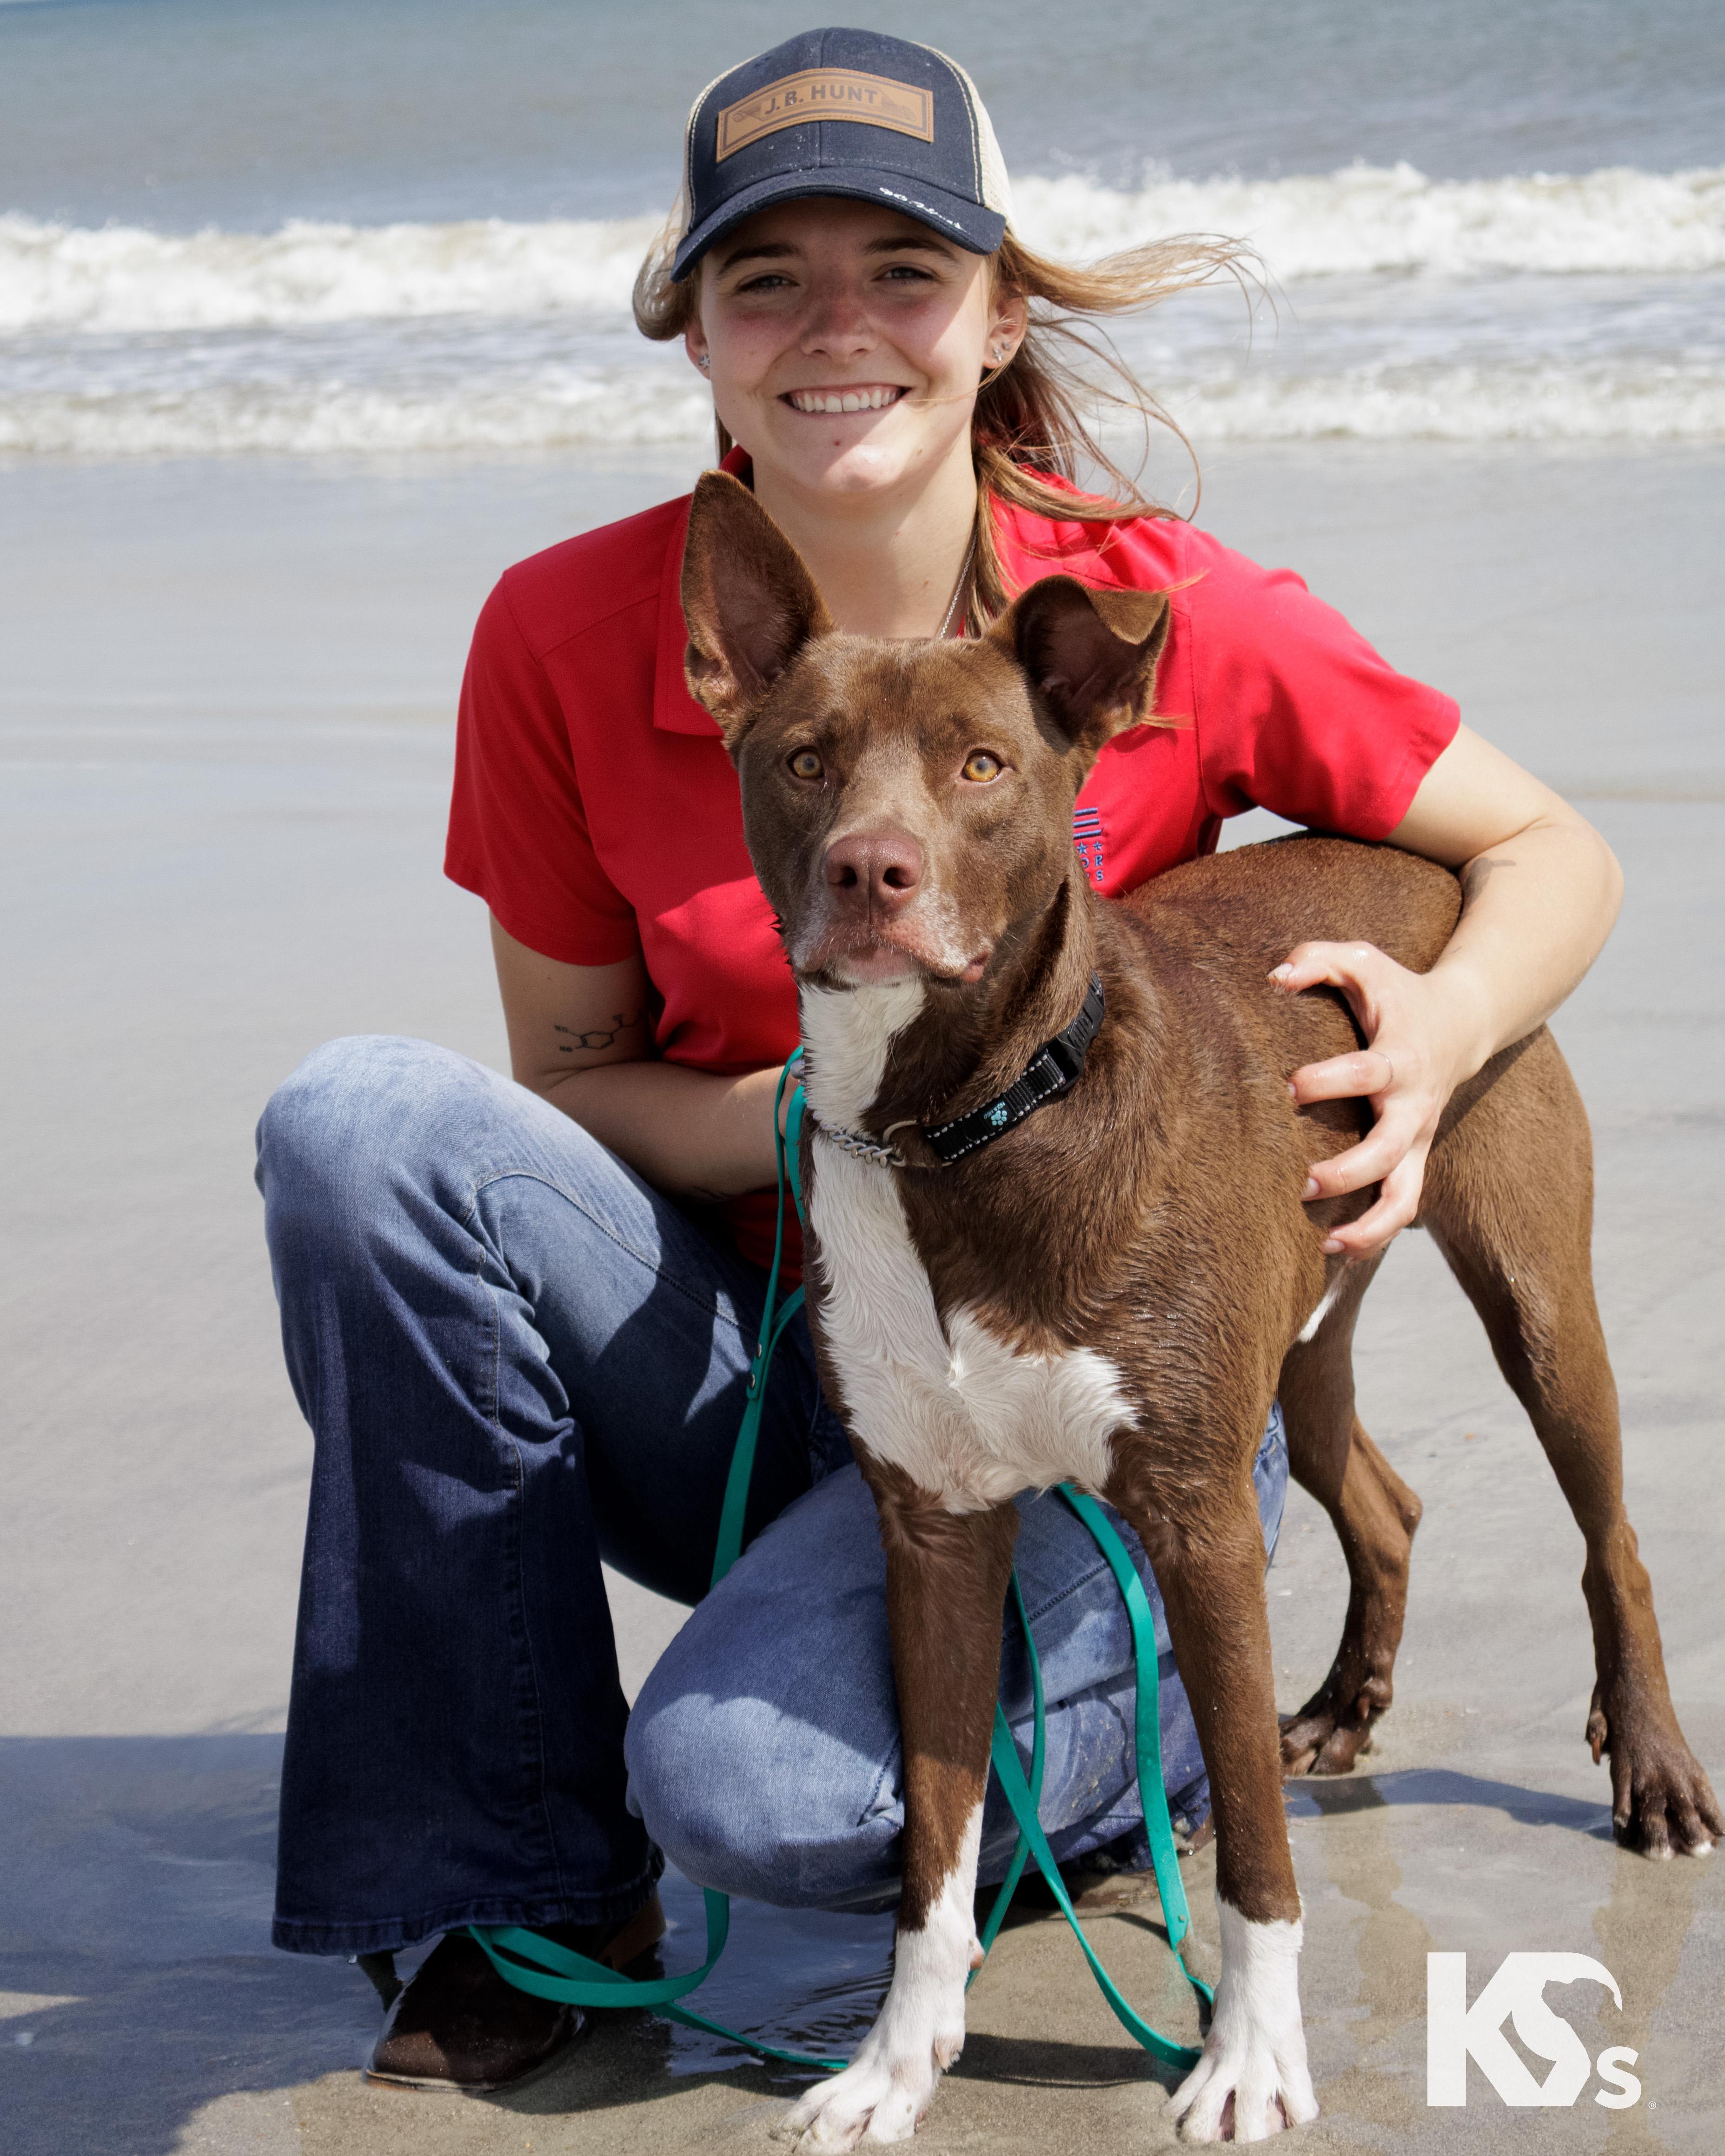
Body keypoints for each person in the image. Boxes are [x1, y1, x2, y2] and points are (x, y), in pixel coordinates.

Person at [255, 27, 1623, 2096]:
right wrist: (853, 1119)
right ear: (697, 335)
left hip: (1106, 1365)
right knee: (358, 1126)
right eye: (765, 279)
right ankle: (518, 1875)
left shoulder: (1152, 606)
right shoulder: (568, 630)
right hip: (778, 1345)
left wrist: (1430, 1040)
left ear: (996, 316)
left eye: (900, 270)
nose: (836, 330)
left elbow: (1550, 849)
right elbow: (568, 1070)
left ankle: (1105, 1740)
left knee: (763, 1795)